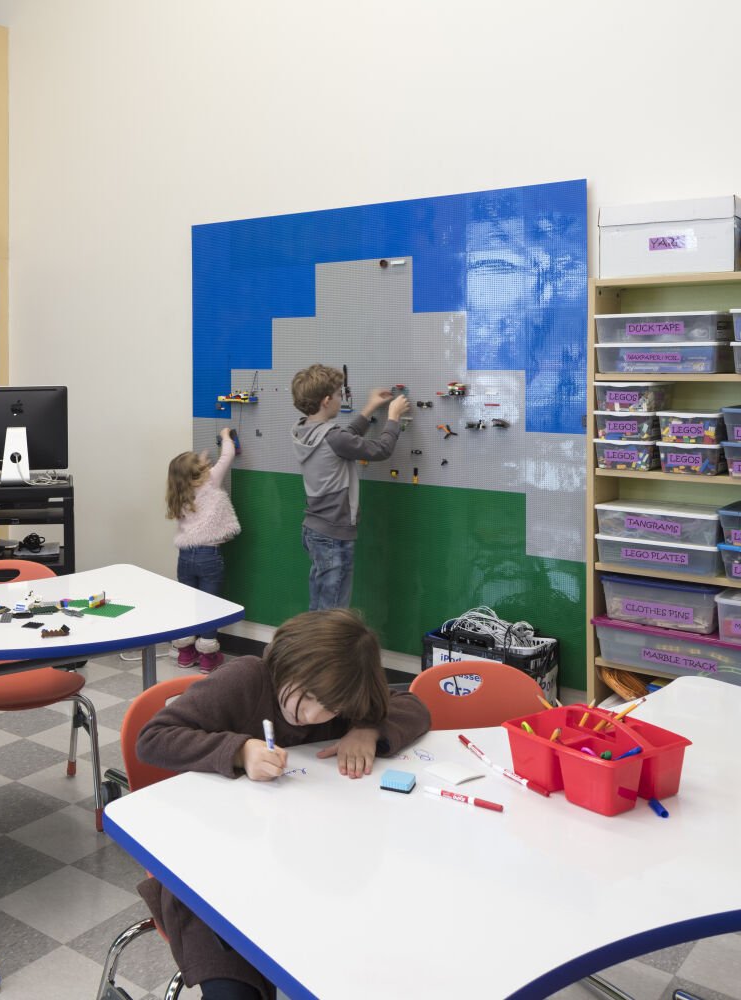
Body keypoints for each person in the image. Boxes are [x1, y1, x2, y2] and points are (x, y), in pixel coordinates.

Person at [134, 608, 432, 1000]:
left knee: (370, 964)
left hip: (309, 870)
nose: (312, 715)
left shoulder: (348, 690)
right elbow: (153, 739)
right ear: (283, 663)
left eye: (331, 708)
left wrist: (368, 728)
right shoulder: (245, 679)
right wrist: (239, 750)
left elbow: (415, 708)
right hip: (217, 871)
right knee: (235, 988)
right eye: (306, 696)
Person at [289, 364, 409, 610]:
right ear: (326, 401)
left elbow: (346, 437)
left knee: (320, 604)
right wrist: (393, 417)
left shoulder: (303, 429)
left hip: (315, 530)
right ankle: (325, 649)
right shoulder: (334, 438)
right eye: (337, 395)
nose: (339, 399)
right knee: (333, 612)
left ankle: (312, 646)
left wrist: (368, 409)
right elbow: (381, 450)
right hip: (334, 535)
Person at [165, 426, 240, 672]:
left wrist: (201, 464)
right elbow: (227, 456)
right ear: (201, 472)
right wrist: (226, 437)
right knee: (209, 606)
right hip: (209, 557)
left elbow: (196, 474)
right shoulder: (212, 481)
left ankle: (185, 653)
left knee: (189, 604)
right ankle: (208, 658)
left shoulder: (180, 493)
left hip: (185, 558)